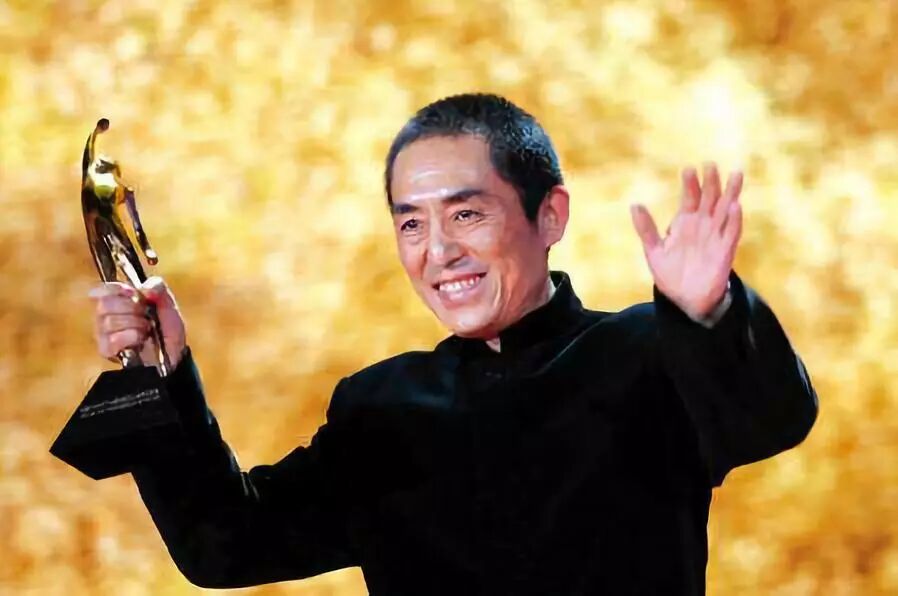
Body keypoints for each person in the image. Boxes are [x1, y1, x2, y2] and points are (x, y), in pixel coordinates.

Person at [89, 94, 817, 595]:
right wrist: (162, 373)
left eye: (467, 214)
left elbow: (773, 419)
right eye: (411, 224)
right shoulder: (381, 407)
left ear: (550, 215)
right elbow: (224, 545)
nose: (438, 253)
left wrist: (708, 311)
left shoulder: (645, 353)